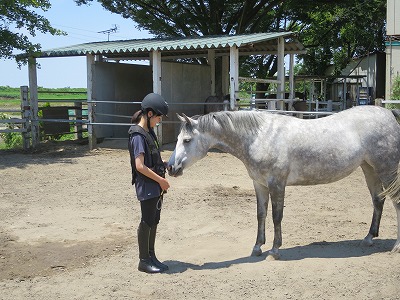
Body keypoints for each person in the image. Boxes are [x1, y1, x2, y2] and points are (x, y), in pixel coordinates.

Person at [128, 93, 170, 273]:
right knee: (146, 221)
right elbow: (139, 166)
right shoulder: (138, 135)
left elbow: (151, 160)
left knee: (154, 220)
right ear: (150, 114)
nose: (159, 121)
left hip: (155, 186)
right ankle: (143, 260)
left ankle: (151, 256)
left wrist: (164, 165)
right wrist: (160, 180)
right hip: (148, 185)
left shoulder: (148, 133)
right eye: (159, 117)